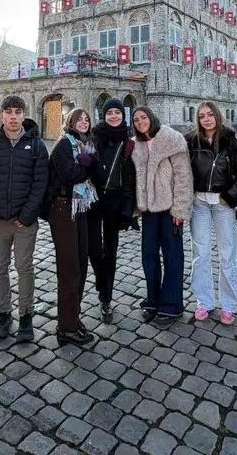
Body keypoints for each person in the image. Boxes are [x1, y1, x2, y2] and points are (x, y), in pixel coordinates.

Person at [0, 95, 48, 343]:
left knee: (24, 268)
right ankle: (4, 313)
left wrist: (26, 216)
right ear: (2, 115)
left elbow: (40, 185)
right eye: (9, 112)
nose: (13, 117)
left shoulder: (37, 147)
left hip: (24, 221)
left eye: (17, 112)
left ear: (24, 115)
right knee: (0, 268)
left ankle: (26, 314)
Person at [130, 106, 192, 325]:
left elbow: (183, 176)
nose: (140, 122)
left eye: (143, 117)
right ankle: (153, 299)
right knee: (149, 255)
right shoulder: (135, 145)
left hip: (169, 209)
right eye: (136, 119)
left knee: (172, 256)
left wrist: (180, 209)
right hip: (148, 209)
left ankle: (172, 304)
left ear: (151, 118)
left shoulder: (171, 139)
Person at [185, 101, 237, 325]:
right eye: (202, 116)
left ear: (217, 116)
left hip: (222, 203)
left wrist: (229, 196)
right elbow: (183, 171)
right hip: (199, 201)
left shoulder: (230, 140)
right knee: (200, 253)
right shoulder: (191, 141)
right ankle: (204, 301)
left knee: (227, 254)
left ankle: (229, 305)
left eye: (210, 115)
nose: (206, 119)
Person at [48, 107, 98, 346]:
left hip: (80, 207)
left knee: (81, 263)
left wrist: (88, 164)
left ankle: (72, 317)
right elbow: (71, 175)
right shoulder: (63, 145)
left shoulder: (85, 145)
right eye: (79, 119)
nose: (83, 122)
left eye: (86, 119)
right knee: (70, 269)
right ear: (70, 121)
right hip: (63, 208)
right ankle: (66, 328)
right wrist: (89, 165)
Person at [88, 98, 136, 324]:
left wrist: (128, 207)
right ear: (103, 115)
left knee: (110, 251)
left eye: (117, 112)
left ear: (123, 115)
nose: (114, 116)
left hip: (115, 201)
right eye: (109, 113)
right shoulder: (94, 136)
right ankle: (101, 281)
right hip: (93, 200)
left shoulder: (128, 142)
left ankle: (105, 297)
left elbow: (130, 177)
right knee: (94, 250)